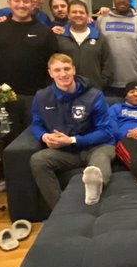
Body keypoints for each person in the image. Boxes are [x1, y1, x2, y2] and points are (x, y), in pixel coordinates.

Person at [29, 54, 115, 208]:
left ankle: (93, 199)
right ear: (50, 73)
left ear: (74, 70)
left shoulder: (94, 95)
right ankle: (60, 209)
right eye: (57, 70)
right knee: (38, 160)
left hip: (96, 147)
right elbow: (36, 124)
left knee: (98, 165)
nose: (63, 74)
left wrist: (72, 140)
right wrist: (44, 136)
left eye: (67, 69)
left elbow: (106, 131)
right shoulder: (41, 97)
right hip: (64, 152)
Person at [0, 0, 58, 114]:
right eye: (17, 1)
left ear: (32, 5)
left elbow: (54, 62)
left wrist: (49, 91)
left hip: (36, 96)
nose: (21, 5)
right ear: (9, 3)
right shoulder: (0, 28)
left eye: (26, 1)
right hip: (3, 95)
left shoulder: (45, 32)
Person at [95, 0, 137, 96]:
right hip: (109, 81)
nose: (122, 1)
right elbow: (95, 46)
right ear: (114, 0)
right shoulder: (102, 20)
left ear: (130, 0)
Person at [56, 0, 113, 90]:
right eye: (74, 12)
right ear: (68, 15)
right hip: (65, 89)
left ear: (87, 16)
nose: (78, 15)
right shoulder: (59, 37)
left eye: (81, 12)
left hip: (93, 90)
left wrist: (102, 82)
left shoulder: (99, 38)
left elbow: (107, 64)